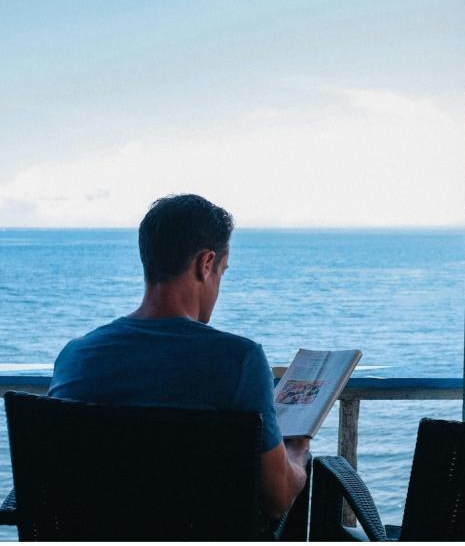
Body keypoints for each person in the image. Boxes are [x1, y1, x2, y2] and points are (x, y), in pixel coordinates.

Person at [48, 194, 309, 520]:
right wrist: (296, 454)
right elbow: (277, 499)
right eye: (222, 272)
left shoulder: (75, 357)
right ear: (206, 264)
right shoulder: (240, 360)